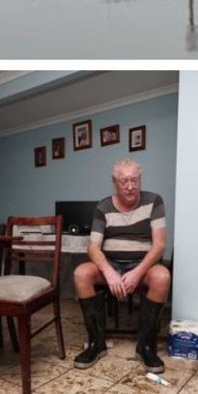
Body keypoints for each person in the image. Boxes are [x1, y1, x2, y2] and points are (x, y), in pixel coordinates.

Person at [72, 158, 170, 373]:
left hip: (142, 265)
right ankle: (96, 343)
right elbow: (93, 248)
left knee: (162, 277)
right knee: (81, 274)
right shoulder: (103, 206)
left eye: (134, 180)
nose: (130, 186)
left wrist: (137, 272)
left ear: (140, 180)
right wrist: (108, 271)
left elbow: (160, 245)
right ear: (114, 182)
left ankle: (146, 346)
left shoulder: (154, 201)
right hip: (111, 264)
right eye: (124, 181)